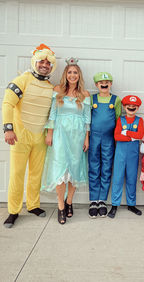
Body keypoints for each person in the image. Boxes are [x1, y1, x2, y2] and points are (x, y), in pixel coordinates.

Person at [2, 44, 56, 228]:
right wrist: (8, 129)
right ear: (34, 61)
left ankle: (33, 205)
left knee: (36, 174)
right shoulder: (21, 80)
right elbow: (8, 103)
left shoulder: (50, 88)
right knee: (17, 174)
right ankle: (13, 210)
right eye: (41, 61)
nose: (44, 65)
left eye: (48, 63)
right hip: (20, 136)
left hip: (39, 137)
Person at [40, 57, 90, 224]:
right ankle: (61, 206)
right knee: (61, 168)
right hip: (60, 133)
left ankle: (70, 202)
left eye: (75, 72)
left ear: (79, 75)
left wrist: (86, 138)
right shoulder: (58, 90)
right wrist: (49, 133)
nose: (72, 75)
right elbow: (53, 114)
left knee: (74, 168)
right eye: (69, 72)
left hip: (78, 134)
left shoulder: (84, 94)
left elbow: (86, 118)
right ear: (65, 74)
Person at [88, 72, 121, 218]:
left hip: (109, 138)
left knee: (106, 168)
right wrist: (86, 138)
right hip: (94, 138)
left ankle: (102, 200)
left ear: (111, 84)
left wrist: (117, 138)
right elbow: (87, 119)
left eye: (107, 81)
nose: (104, 83)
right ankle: (93, 200)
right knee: (94, 167)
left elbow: (118, 119)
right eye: (101, 81)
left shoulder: (116, 100)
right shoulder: (92, 98)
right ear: (96, 84)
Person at [108, 95, 144, 219]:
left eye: (134, 106)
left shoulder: (140, 120)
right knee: (117, 179)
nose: (131, 107)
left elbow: (140, 135)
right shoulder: (120, 120)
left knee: (131, 179)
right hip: (120, 154)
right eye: (129, 106)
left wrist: (126, 133)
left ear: (137, 108)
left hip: (133, 156)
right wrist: (131, 137)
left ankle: (131, 204)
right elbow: (117, 136)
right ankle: (114, 205)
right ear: (124, 107)